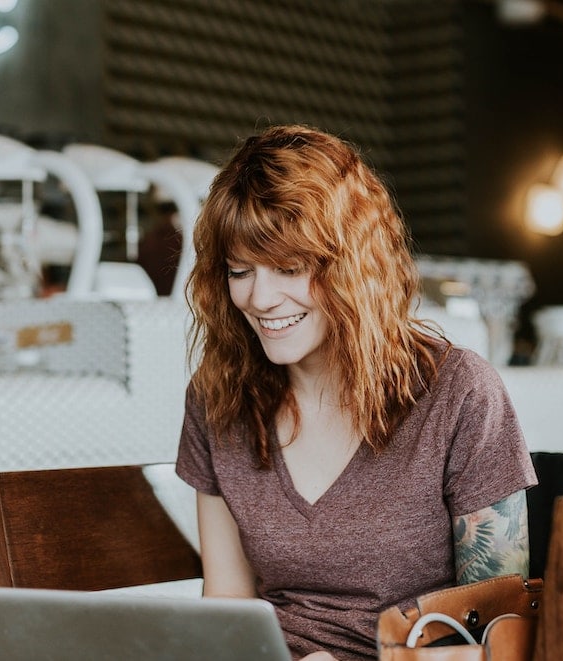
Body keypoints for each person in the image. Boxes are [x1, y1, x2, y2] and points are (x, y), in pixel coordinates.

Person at [174, 124, 537, 661]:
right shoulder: (218, 399)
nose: (260, 298)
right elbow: (226, 610)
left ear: (352, 266)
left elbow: (504, 638)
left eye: (290, 268)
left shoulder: (458, 393)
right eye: (239, 271)